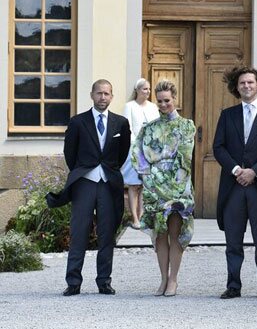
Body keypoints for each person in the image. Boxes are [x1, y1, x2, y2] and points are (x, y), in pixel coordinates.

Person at [46, 79, 131, 296]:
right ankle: (73, 282)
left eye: (107, 93)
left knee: (107, 234)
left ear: (112, 96)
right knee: (79, 233)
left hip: (108, 184)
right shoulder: (77, 122)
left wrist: (108, 171)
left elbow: (122, 153)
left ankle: (104, 281)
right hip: (84, 183)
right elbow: (70, 154)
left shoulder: (120, 123)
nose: (103, 97)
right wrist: (84, 171)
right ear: (92, 95)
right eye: (99, 93)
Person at [214, 66, 257, 300]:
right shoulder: (227, 115)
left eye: (251, 83)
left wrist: (254, 171)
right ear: (237, 87)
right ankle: (233, 285)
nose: (246, 86)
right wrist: (237, 170)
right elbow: (218, 147)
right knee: (233, 239)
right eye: (242, 83)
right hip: (234, 185)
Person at [131, 80, 196, 297]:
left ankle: (174, 280)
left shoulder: (186, 126)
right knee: (159, 235)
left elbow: (185, 157)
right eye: (159, 101)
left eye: (167, 100)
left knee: (175, 234)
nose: (163, 104)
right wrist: (148, 179)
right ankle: (162, 278)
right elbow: (138, 153)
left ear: (175, 99)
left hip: (178, 187)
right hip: (153, 188)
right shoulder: (148, 128)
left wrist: (174, 187)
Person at [121, 78, 159, 228]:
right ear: (137, 90)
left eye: (149, 89)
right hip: (134, 149)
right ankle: (134, 218)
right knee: (133, 185)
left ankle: (142, 216)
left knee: (144, 185)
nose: (148, 92)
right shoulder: (129, 106)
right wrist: (137, 145)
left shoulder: (153, 107)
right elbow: (126, 128)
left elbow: (156, 127)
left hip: (149, 151)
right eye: (145, 89)